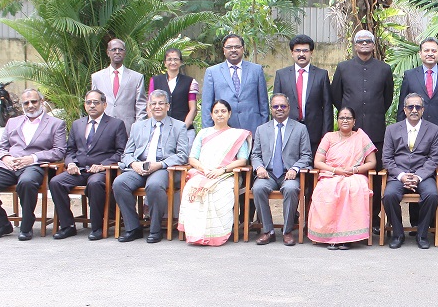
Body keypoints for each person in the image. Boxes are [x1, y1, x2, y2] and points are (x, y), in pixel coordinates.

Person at [0, 89, 67, 240]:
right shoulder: (13, 122)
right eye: (26, 103)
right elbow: (0, 148)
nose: (30, 105)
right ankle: (1, 224)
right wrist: (5, 157)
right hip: (8, 165)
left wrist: (32, 158)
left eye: (34, 101)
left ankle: (26, 226)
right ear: (22, 105)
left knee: (26, 182)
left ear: (42, 101)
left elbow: (59, 152)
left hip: (34, 166)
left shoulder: (55, 124)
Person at [113, 90, 191, 243]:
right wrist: (133, 164)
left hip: (162, 168)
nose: (157, 106)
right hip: (138, 167)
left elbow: (182, 154)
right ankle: (133, 227)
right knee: (119, 183)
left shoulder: (178, 126)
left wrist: (160, 164)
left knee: (154, 185)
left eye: (161, 103)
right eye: (153, 103)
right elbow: (127, 153)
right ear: (148, 107)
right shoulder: (137, 126)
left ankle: (155, 229)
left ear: (167, 106)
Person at [49, 90, 128, 240]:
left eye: (96, 102)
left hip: (102, 171)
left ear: (104, 105)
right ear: (85, 105)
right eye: (88, 102)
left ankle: (97, 227)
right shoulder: (77, 124)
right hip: (79, 170)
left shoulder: (116, 124)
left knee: (95, 183)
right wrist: (71, 163)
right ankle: (68, 226)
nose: (92, 105)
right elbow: (70, 149)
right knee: (56, 182)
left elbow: (121, 152)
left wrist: (103, 165)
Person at [177, 99, 252, 246]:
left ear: (229, 114)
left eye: (223, 111)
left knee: (218, 192)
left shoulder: (237, 135)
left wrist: (221, 170)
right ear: (211, 115)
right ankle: (196, 233)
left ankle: (217, 233)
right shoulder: (203, 133)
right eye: (216, 112)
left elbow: (243, 160)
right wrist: (204, 169)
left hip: (226, 175)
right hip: (202, 172)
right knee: (191, 188)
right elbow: (192, 158)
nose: (220, 115)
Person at [308, 107, 378, 249]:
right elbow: (318, 162)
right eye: (342, 118)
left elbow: (372, 162)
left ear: (354, 121)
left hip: (355, 175)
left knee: (352, 187)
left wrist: (354, 170)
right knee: (328, 188)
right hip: (332, 174)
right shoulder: (329, 137)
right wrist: (336, 170)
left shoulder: (361, 137)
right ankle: (330, 236)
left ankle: (347, 238)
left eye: (348, 118)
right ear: (337, 120)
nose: (345, 120)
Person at [250, 94, 313, 246]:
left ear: (289, 108)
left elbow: (306, 155)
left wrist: (296, 168)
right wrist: (258, 167)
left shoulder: (300, 128)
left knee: (291, 189)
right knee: (258, 188)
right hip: (268, 174)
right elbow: (255, 154)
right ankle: (268, 231)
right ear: (271, 109)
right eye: (276, 106)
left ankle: (287, 231)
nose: (279, 109)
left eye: (283, 106)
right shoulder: (261, 129)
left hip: (289, 174)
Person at [381, 95, 438, 249]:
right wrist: (401, 176)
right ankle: (398, 233)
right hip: (398, 175)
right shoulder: (392, 129)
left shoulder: (434, 130)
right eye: (410, 107)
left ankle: (422, 234)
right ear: (404, 109)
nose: (414, 110)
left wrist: (418, 176)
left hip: (423, 175)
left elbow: (434, 158)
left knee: (432, 195)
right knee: (389, 196)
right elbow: (387, 159)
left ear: (423, 110)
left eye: (418, 107)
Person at [398, 37, 438, 168]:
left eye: (433, 50)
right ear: (420, 54)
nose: (430, 53)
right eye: (426, 50)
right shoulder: (410, 75)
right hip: (413, 135)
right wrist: (400, 134)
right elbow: (402, 108)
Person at [330, 29, 394, 148]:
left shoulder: (384, 69)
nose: (364, 43)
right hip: (350, 127)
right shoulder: (343, 67)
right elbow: (336, 95)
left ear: (374, 45)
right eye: (360, 41)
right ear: (355, 46)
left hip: (375, 127)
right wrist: (349, 112)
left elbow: (387, 97)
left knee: (376, 165)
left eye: (368, 41)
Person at [272, 34, 333, 149]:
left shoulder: (321, 75)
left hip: (314, 132)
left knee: (313, 165)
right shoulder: (281, 75)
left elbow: (327, 107)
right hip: (287, 130)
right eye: (297, 51)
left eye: (305, 51)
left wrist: (326, 135)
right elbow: (275, 105)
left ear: (311, 52)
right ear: (292, 53)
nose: (301, 54)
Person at [202, 33, 269, 133]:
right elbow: (207, 106)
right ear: (224, 50)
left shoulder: (256, 70)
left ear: (243, 49)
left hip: (252, 129)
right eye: (229, 47)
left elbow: (264, 104)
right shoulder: (212, 72)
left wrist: (263, 130)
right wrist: (209, 133)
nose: (233, 50)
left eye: (237, 47)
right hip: (223, 131)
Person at [90, 38, 146, 133]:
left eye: (120, 49)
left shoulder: (136, 77)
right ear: (108, 53)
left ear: (125, 53)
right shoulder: (97, 77)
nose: (117, 52)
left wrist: (138, 128)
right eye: (113, 49)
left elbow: (141, 105)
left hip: (128, 129)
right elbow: (94, 103)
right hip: (103, 129)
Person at [148, 48, 197, 129]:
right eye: (169, 59)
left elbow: (193, 109)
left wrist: (183, 128)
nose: (173, 62)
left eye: (176, 59)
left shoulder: (191, 82)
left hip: (184, 128)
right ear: (165, 63)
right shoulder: (155, 80)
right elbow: (149, 106)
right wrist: (156, 126)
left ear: (181, 62)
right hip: (160, 128)